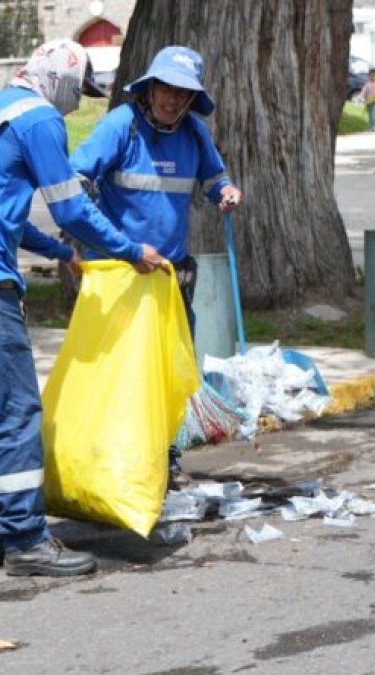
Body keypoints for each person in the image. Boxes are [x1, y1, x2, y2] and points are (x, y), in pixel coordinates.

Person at [0, 39, 166, 577]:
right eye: (78, 92)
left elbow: (5, 214)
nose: (77, 105)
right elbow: (71, 206)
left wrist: (61, 253)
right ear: (59, 81)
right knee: (14, 411)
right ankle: (27, 542)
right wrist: (131, 252)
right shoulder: (39, 120)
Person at [69, 45, 242, 488]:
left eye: (182, 93)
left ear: (191, 100)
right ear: (149, 89)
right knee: (118, 369)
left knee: (168, 370)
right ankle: (109, 455)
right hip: (120, 274)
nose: (172, 100)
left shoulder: (194, 134)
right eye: (165, 88)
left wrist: (225, 192)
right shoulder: (120, 126)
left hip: (169, 277)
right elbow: (76, 180)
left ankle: (164, 456)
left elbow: (214, 179)